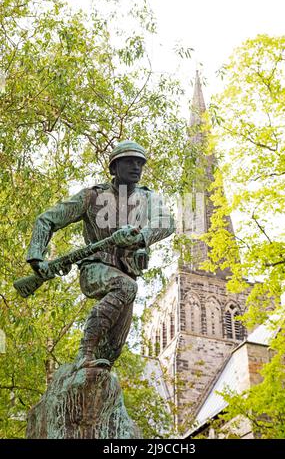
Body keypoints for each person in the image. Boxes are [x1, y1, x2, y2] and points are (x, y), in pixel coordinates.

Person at [26, 140, 174, 371]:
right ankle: (83, 353)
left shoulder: (149, 199)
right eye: (129, 162)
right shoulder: (92, 196)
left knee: (111, 353)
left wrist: (141, 237)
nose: (136, 167)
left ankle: (89, 385)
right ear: (114, 168)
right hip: (96, 268)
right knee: (126, 288)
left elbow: (167, 223)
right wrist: (37, 257)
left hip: (128, 274)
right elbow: (47, 220)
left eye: (140, 163)